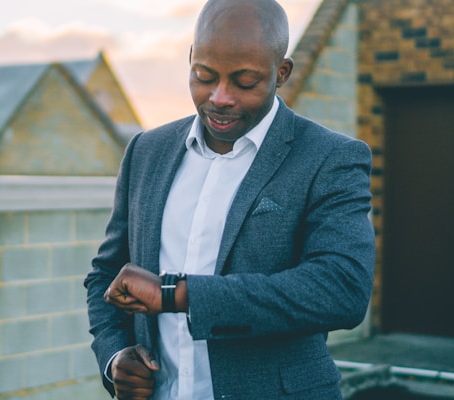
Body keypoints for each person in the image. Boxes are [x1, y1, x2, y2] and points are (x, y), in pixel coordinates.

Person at [84, 0, 375, 398]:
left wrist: (178, 295)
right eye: (204, 76)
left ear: (282, 73)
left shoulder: (329, 158)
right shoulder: (146, 151)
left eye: (245, 82)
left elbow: (342, 290)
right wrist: (114, 356)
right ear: (190, 60)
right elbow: (106, 275)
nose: (220, 97)